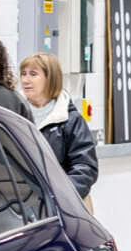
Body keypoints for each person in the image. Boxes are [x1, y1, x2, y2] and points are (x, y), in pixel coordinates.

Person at [19, 51, 99, 198]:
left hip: (57, 204)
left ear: (50, 78)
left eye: (33, 74)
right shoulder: (14, 115)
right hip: (19, 204)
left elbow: (85, 167)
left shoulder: (70, 120)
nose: (25, 80)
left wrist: (61, 195)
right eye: (23, 74)